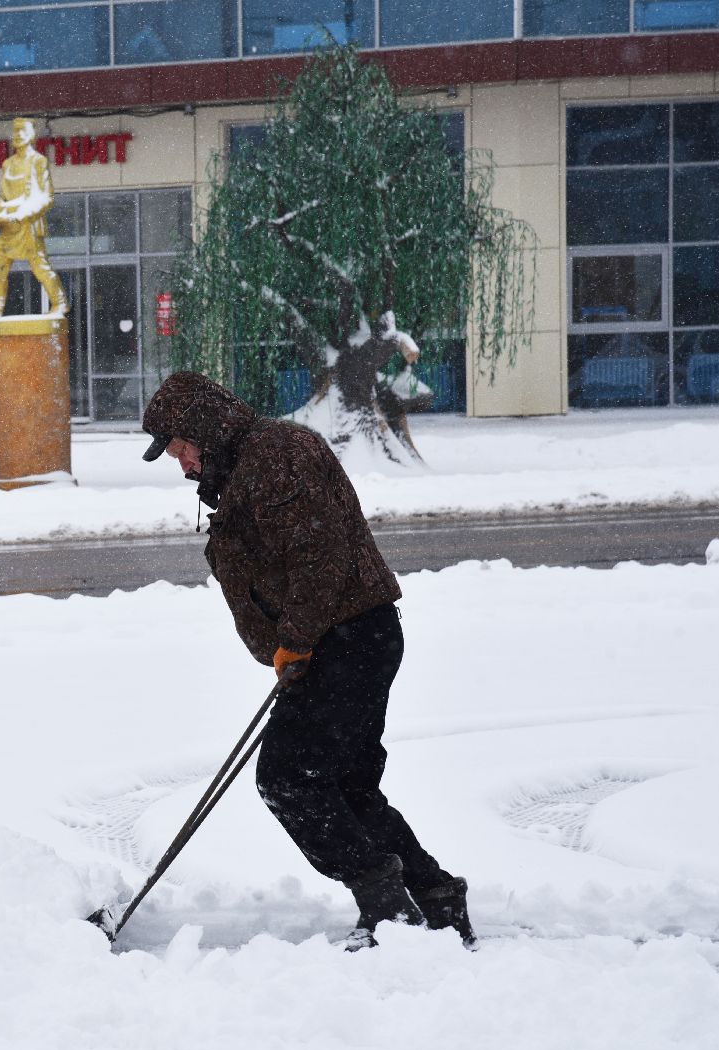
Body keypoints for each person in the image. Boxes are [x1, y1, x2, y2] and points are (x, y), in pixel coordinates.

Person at [141, 371, 474, 950]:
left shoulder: (278, 454)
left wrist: (295, 640)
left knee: (288, 779)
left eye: (182, 448)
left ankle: (387, 906)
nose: (183, 464)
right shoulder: (243, 468)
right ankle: (437, 898)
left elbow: (318, 555)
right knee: (346, 788)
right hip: (336, 641)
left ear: (203, 430)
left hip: (345, 640)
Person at [0, 118, 68, 320]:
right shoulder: (8, 164)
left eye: (22, 131)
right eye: (15, 132)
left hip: (28, 225)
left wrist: (25, 214)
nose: (17, 135)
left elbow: (46, 197)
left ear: (31, 135)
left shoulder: (38, 161)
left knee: (40, 267)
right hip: (9, 226)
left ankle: (60, 302)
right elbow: (5, 197)